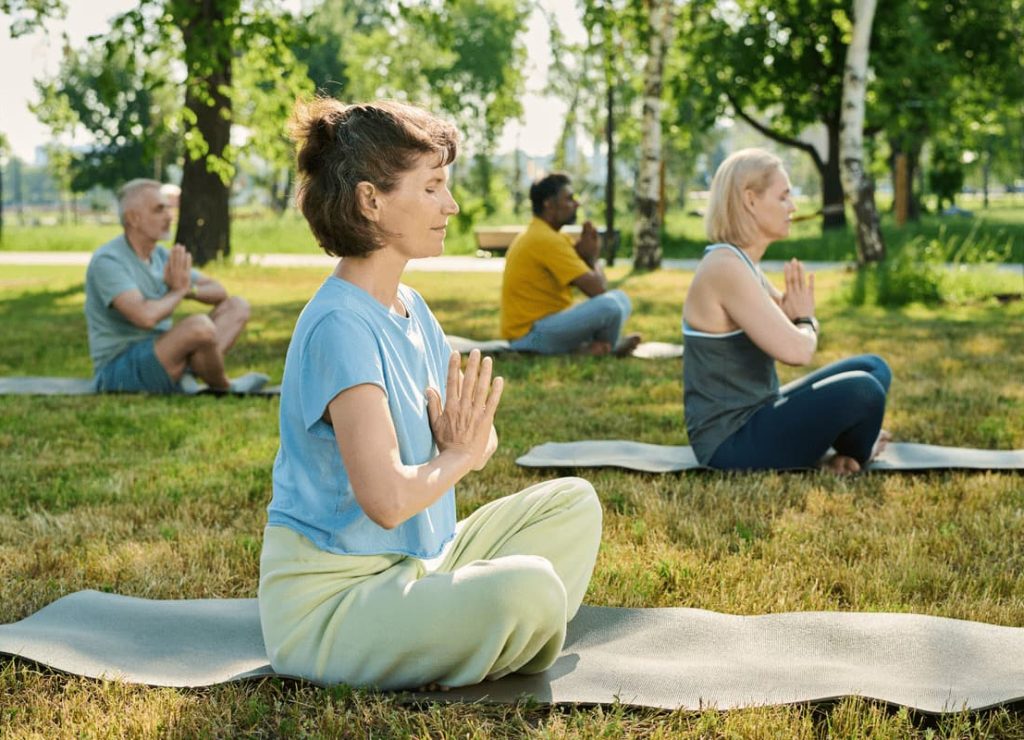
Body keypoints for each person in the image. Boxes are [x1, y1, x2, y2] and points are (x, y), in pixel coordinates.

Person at [258, 99, 602, 690]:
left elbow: (480, 438)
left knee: (574, 504)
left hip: (421, 561)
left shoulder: (410, 307)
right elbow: (389, 500)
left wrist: (461, 449)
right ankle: (475, 631)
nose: (452, 205)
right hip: (336, 605)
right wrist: (457, 456)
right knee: (532, 589)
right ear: (371, 200)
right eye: (433, 187)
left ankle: (458, 632)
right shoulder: (340, 326)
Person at [682, 148, 891, 473]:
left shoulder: (742, 263)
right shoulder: (725, 268)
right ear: (750, 201)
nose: (792, 207)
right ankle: (857, 452)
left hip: (760, 411)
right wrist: (806, 319)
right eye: (783, 197)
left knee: (874, 367)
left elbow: (783, 321)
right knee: (864, 390)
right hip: (730, 444)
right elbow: (797, 349)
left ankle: (846, 452)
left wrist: (798, 317)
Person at [84, 179, 266, 394]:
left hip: (163, 353)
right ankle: (225, 386)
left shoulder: (161, 256)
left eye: (168, 208)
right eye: (159, 209)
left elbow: (219, 291)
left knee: (237, 306)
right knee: (199, 326)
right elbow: (145, 317)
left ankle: (186, 373)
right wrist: (178, 291)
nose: (170, 216)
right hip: (118, 371)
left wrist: (188, 289)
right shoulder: (109, 261)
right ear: (133, 218)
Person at [500, 173, 641, 356]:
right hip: (529, 337)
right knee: (611, 306)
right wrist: (592, 259)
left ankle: (596, 347)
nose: (576, 204)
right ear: (548, 204)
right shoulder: (546, 239)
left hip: (542, 328)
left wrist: (584, 256)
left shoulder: (548, 235)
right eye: (569, 198)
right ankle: (606, 348)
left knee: (621, 298)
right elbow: (597, 289)